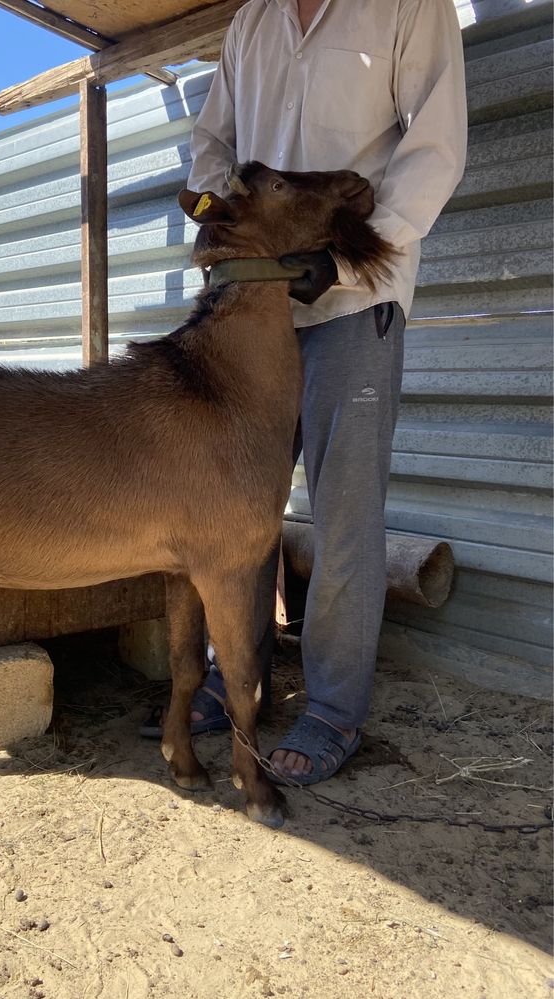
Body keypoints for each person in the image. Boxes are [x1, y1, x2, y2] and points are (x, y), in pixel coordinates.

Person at [141, 0, 467, 785]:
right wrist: (227, 220)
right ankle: (236, 674)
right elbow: (213, 143)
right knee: (239, 502)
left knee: (345, 504)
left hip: (354, 297)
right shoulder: (251, 26)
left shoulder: (407, 8)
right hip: (253, 310)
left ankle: (332, 709)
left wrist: (358, 258)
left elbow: (435, 145)